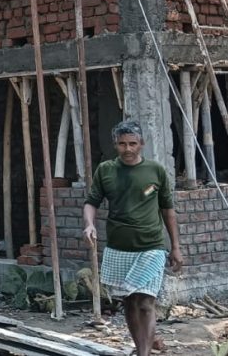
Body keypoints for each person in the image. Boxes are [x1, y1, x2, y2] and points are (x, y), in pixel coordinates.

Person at [84, 121, 183, 356]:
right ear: (115, 145)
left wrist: (176, 248)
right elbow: (92, 202)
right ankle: (140, 348)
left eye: (132, 144)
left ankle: (144, 354)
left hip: (151, 246)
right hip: (119, 246)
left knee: (146, 302)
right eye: (122, 144)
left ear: (142, 144)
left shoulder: (155, 171)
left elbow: (168, 210)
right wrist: (89, 224)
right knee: (129, 302)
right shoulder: (106, 170)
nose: (127, 149)